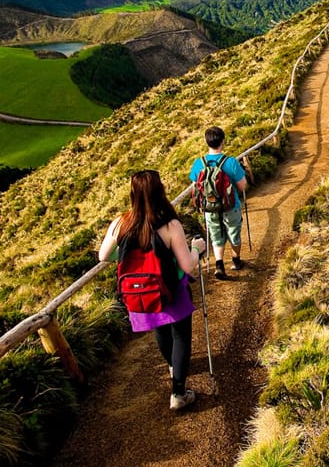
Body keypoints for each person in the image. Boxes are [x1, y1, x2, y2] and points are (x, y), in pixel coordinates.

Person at [98, 170, 207, 411]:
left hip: (140, 292)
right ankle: (178, 392)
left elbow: (102, 256)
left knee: (161, 329)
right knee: (181, 336)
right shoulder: (169, 225)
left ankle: (172, 367)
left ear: (133, 194)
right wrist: (197, 249)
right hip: (171, 289)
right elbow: (188, 265)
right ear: (160, 191)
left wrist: (129, 259)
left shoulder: (120, 223)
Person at [189, 126, 249, 280]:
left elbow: (196, 188)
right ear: (223, 141)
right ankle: (236, 260)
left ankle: (219, 265)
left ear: (206, 142)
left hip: (209, 208)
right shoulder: (231, 162)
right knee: (234, 234)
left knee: (216, 236)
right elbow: (242, 186)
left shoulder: (198, 164)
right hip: (231, 206)